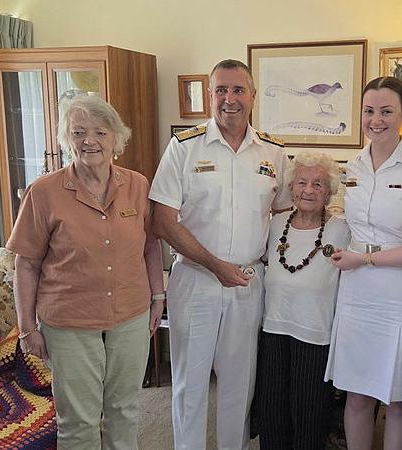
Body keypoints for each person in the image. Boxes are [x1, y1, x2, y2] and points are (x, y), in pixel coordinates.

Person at [7, 94, 165, 449]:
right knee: (78, 420)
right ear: (66, 140)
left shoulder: (137, 185)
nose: (89, 141)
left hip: (130, 314)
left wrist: (158, 297)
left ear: (116, 140)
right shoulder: (43, 192)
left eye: (99, 132)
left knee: (124, 409)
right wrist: (26, 327)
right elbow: (26, 264)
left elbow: (151, 245)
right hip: (69, 321)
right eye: (78, 132)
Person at [150, 59, 292, 450]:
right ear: (210, 96)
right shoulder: (184, 148)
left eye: (238, 90)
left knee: (239, 384)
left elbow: (282, 215)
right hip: (196, 280)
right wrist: (216, 266)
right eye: (221, 90)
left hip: (248, 282)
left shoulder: (274, 153)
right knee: (190, 384)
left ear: (253, 96)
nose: (230, 99)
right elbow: (162, 220)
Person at [325, 76, 402, 450]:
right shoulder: (351, 167)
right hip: (358, 294)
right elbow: (346, 222)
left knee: (397, 400)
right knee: (357, 394)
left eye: (386, 111)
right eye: (368, 111)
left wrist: (364, 257)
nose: (375, 120)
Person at [256, 150, 351, 450]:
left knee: (310, 417)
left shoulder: (342, 230)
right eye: (301, 183)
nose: (308, 190)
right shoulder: (273, 226)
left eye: (318, 184)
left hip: (315, 335)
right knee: (271, 413)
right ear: (291, 187)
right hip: (273, 331)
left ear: (330, 191)